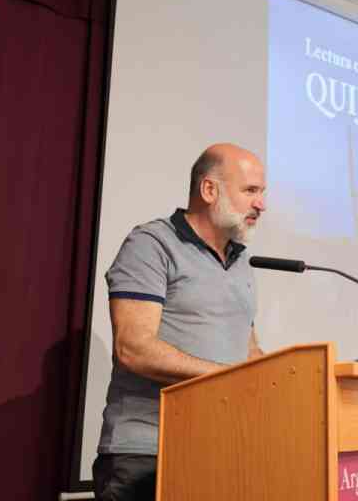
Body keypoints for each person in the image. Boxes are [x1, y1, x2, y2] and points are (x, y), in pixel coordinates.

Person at [92, 143, 267, 500]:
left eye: (262, 193)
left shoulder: (241, 262)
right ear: (208, 190)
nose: (261, 204)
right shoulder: (152, 244)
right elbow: (133, 348)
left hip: (222, 452)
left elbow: (246, 352)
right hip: (148, 453)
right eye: (251, 191)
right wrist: (228, 377)